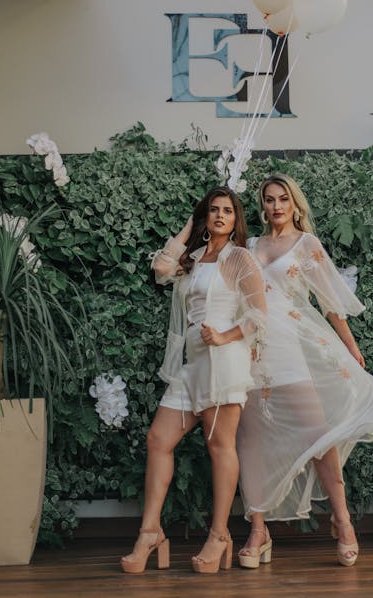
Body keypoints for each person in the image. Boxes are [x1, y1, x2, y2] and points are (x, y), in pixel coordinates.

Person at [236, 173, 373, 568]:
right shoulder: (249, 245)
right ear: (263, 205)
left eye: (283, 199)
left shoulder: (307, 245)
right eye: (269, 200)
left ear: (294, 204)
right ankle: (258, 530)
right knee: (250, 440)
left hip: (291, 347)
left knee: (318, 435)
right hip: (251, 351)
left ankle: (343, 521)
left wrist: (352, 347)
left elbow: (329, 303)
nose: (275, 206)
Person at [121, 186, 267, 575]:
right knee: (158, 440)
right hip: (191, 365)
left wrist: (224, 336)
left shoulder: (240, 258)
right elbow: (161, 268)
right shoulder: (195, 257)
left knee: (219, 445)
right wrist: (190, 225)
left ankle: (219, 534)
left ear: (237, 220)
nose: (220, 216)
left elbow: (259, 314)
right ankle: (150, 532)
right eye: (213, 210)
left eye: (228, 211)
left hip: (224, 360)